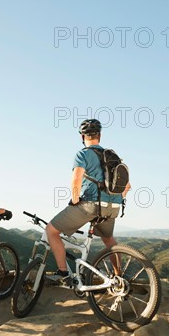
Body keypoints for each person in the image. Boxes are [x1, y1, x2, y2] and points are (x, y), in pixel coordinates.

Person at [45, 119, 131, 282]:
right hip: (113, 207)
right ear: (100, 135)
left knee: (51, 231)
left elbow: (76, 178)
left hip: (90, 205)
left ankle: (63, 273)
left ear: (82, 137)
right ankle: (118, 277)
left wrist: (75, 200)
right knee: (109, 240)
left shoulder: (82, 154)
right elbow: (127, 186)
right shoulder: (113, 157)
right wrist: (115, 199)